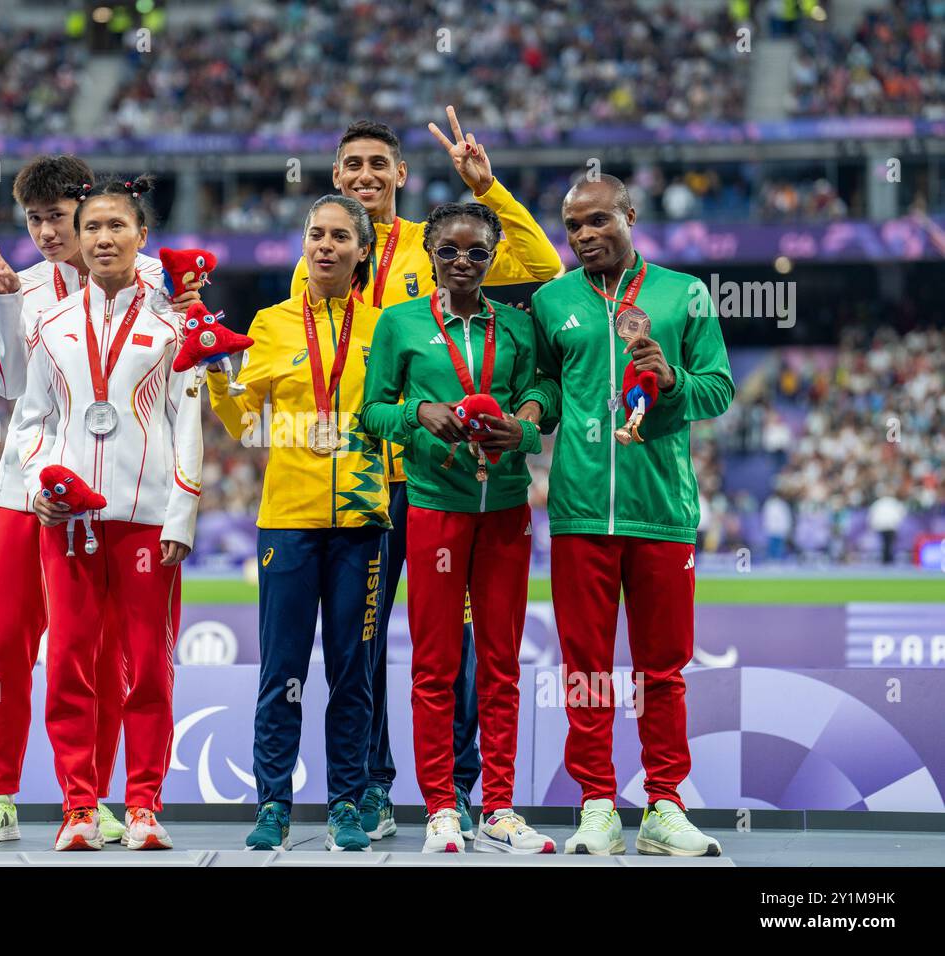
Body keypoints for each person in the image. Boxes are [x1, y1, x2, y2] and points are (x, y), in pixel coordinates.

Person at [291, 109, 563, 841]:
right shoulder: (327, 247)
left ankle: (469, 792)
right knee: (369, 641)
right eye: (352, 166)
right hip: (361, 479)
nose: (365, 178)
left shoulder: (440, 242)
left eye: (379, 165)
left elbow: (542, 267)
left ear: (401, 176)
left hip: (445, 481)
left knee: (466, 645)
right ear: (336, 176)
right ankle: (377, 791)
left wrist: (490, 186)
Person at [0, 156, 191, 848]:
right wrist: (3, 303)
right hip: (25, 491)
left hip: (112, 498)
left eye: (59, 217)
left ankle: (94, 798)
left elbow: (186, 376)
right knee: (6, 643)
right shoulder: (22, 287)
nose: (48, 231)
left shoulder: (147, 281)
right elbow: (9, 388)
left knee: (105, 654)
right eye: (35, 219)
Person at [529, 174, 735, 856]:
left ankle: (664, 805)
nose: (584, 235)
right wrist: (529, 413)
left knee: (661, 671)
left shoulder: (685, 294)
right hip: (581, 511)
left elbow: (719, 388)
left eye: (597, 221)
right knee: (585, 667)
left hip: (662, 510)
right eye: (573, 227)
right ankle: (596, 803)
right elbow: (548, 391)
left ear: (629, 215)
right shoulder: (551, 301)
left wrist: (672, 380)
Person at [361, 202, 559, 854]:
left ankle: (499, 807)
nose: (463, 263)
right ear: (432, 256)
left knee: (500, 664)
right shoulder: (400, 324)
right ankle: (443, 808)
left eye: (477, 252)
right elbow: (372, 413)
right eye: (449, 251)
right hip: (434, 508)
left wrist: (524, 423)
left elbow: (545, 397)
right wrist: (420, 411)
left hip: (505, 511)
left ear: (494, 255)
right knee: (435, 665)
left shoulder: (520, 326)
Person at [14, 175, 204, 851]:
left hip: (147, 517)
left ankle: (146, 803)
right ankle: (78, 807)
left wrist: (182, 516)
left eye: (116, 226)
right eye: (91, 227)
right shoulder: (50, 324)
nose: (102, 238)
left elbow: (188, 425)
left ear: (141, 238)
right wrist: (41, 481)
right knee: (68, 662)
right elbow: (33, 421)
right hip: (67, 522)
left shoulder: (175, 323)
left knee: (148, 665)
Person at [210, 195, 389, 852]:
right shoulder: (270, 323)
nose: (325, 245)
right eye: (316, 234)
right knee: (282, 668)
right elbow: (245, 424)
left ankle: (345, 800)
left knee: (354, 670)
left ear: (361, 250)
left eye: (341, 236)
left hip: (364, 522)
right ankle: (274, 804)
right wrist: (213, 377)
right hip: (286, 520)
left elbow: (399, 413)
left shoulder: (387, 326)